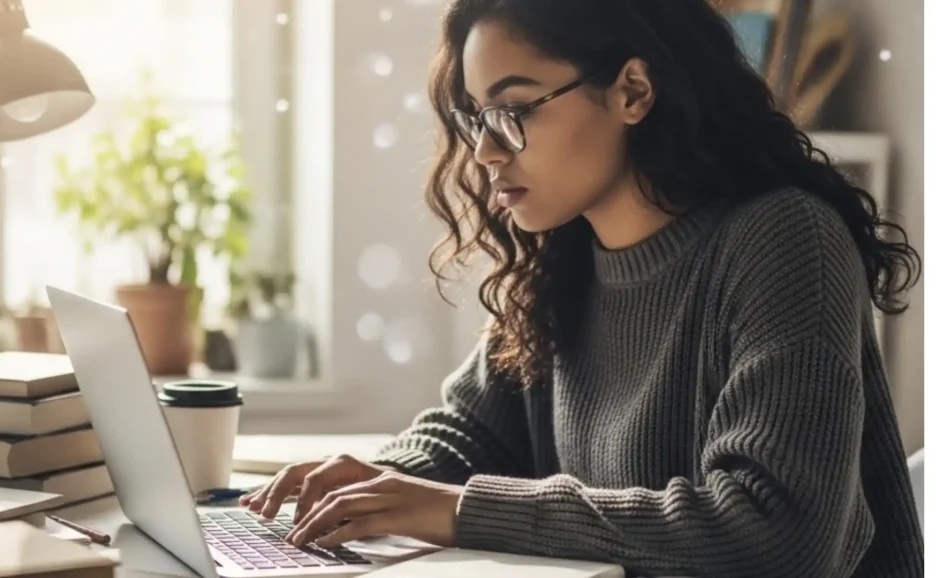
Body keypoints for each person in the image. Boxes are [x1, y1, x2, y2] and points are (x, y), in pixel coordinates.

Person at [241, 0, 924, 576]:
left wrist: (455, 510)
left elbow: (777, 528)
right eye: (477, 117)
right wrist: (368, 484)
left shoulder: (784, 239)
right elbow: (471, 433)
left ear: (632, 90)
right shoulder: (562, 257)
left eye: (514, 109)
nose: (484, 151)